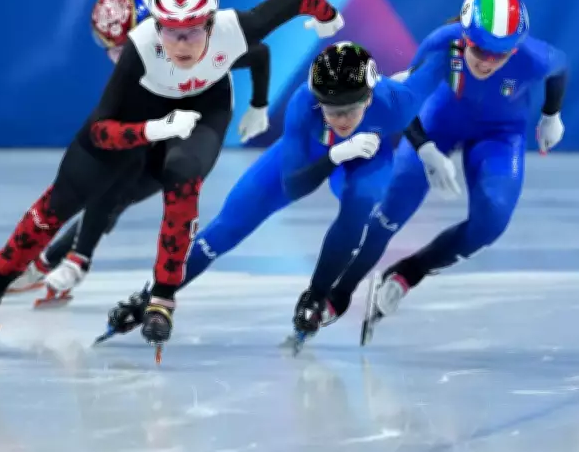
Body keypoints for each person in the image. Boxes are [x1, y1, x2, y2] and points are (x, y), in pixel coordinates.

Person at [0, 0, 344, 347]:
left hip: (203, 111)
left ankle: (162, 297)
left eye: (192, 31)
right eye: (171, 32)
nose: (181, 44)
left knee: (182, 176)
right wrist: (153, 130)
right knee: (64, 196)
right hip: (143, 112)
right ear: (155, 26)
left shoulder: (235, 29)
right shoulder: (140, 48)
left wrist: (327, 20)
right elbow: (98, 131)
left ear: (211, 23)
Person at [100, 41, 434, 342]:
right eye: (332, 109)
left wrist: (426, 147)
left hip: (368, 158)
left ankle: (316, 296)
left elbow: (443, 52)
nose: (341, 119)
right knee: (227, 227)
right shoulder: (304, 104)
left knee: (359, 207)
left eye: (349, 109)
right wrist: (335, 155)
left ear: (370, 97)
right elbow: (294, 185)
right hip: (310, 158)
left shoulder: (397, 101)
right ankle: (153, 293)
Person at [313, 0, 569, 334]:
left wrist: (552, 114)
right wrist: (426, 148)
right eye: (480, 50)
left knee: (492, 221)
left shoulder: (534, 56)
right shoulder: (441, 44)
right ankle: (339, 292)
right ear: (465, 37)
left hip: (500, 134)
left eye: (500, 55)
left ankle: (410, 272)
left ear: (515, 48)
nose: (488, 62)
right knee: (393, 206)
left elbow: (560, 68)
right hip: (439, 121)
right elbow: (405, 104)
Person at [8, 0, 272, 297]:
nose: (118, 57)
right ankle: (53, 262)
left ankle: (61, 262)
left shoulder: (196, 50)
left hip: (191, 136)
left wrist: (259, 105)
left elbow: (259, 53)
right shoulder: (138, 64)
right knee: (111, 182)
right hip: (158, 133)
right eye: (109, 48)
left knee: (118, 190)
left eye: (123, 47)